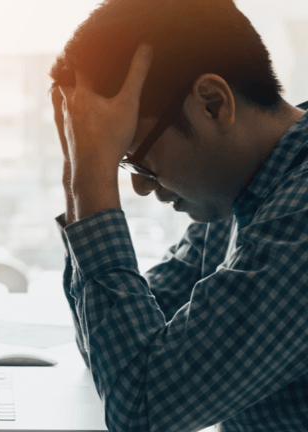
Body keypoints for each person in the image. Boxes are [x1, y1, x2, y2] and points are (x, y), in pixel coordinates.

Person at [49, 0, 308, 431]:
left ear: (211, 103)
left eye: (136, 158)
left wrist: (90, 183)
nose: (140, 185)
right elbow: (118, 353)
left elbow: (141, 409)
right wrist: (79, 169)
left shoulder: (299, 218)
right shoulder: (240, 196)